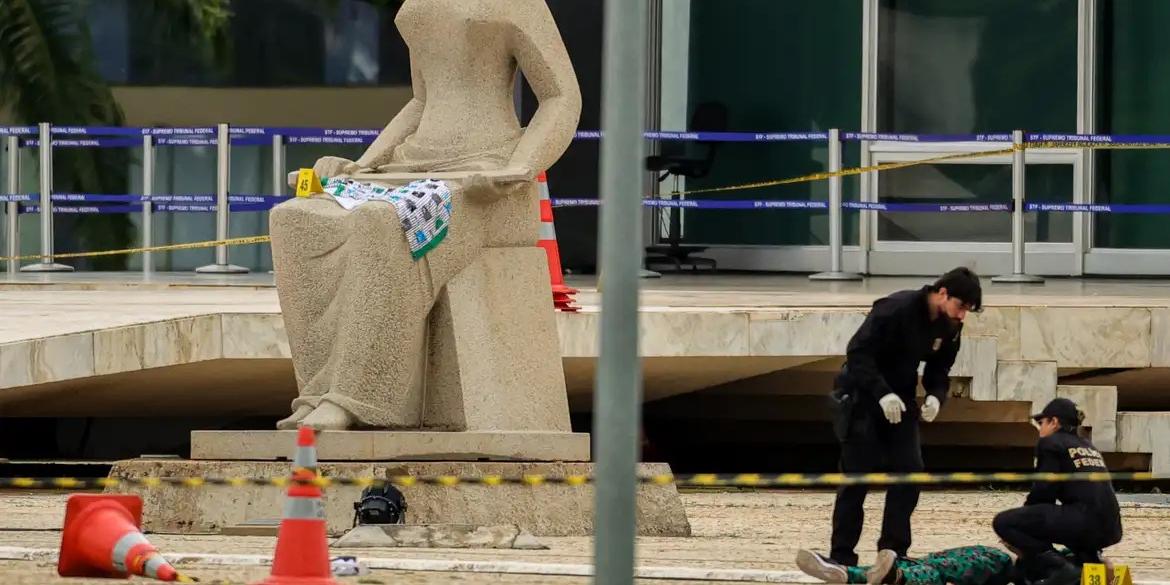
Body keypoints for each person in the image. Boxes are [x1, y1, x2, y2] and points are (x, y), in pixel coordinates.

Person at [825, 267, 983, 566]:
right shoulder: (895, 308)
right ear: (943, 293)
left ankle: (894, 551)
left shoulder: (950, 326)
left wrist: (936, 395)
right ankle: (842, 556)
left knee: (910, 473)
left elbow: (940, 368)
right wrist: (881, 393)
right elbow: (858, 353)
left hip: (903, 398)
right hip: (862, 394)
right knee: (856, 479)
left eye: (968, 311)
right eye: (961, 306)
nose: (962, 316)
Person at [993, 397, 1123, 585]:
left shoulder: (1051, 443)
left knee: (1004, 522)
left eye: (1041, 423)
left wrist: (1024, 522)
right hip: (1111, 528)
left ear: (1054, 422)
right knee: (1070, 521)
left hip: (1084, 521)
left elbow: (1044, 489)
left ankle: (1060, 567)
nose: (1040, 429)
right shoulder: (1088, 446)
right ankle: (1090, 563)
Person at [796, 546, 1015, 585]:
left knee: (938, 568)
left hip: (1005, 565)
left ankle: (894, 576)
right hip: (1001, 562)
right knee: (930, 564)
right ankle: (847, 573)